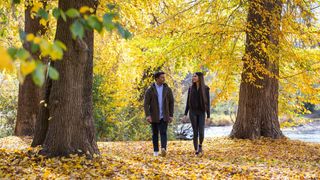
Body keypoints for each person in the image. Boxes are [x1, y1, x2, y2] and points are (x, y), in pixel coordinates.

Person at [144, 71, 174, 157]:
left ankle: (163, 149)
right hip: (154, 115)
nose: (163, 79)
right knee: (155, 134)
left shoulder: (168, 89)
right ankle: (156, 151)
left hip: (165, 115)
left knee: (163, 132)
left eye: (164, 77)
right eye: (162, 77)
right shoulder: (150, 90)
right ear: (157, 79)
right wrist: (148, 115)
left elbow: (171, 102)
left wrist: (171, 115)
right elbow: (146, 104)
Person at [183, 72, 210, 156]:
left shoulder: (205, 89)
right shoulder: (191, 88)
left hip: (201, 112)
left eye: (195, 76)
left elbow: (208, 103)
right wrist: (185, 113)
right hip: (192, 112)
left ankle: (200, 145)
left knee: (201, 132)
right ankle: (196, 150)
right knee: (195, 132)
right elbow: (188, 102)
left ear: (200, 78)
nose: (193, 78)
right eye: (193, 76)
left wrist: (208, 115)